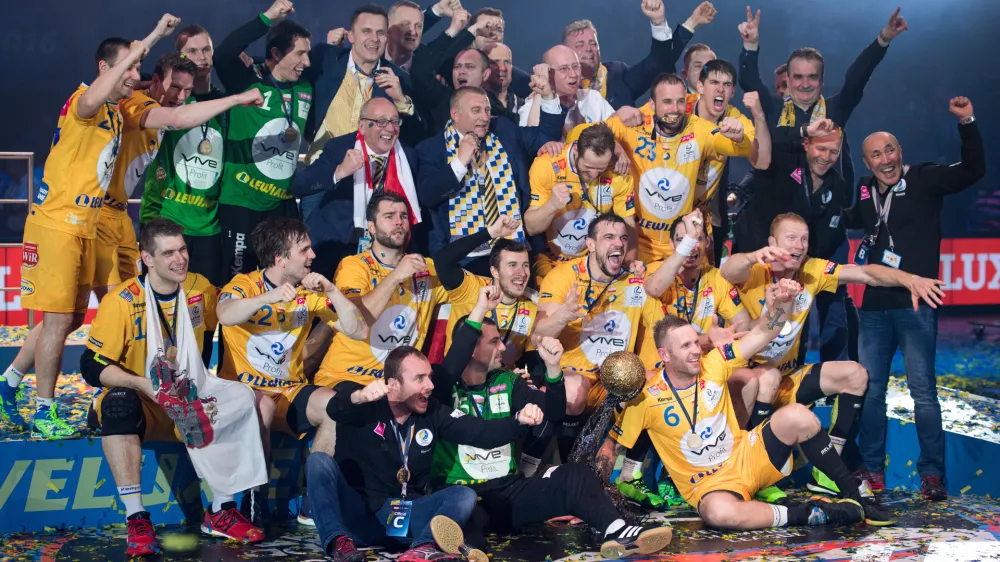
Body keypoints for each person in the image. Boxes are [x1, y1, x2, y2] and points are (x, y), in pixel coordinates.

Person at [602, 279, 896, 530]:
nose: (696, 351)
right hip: (710, 487)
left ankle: (856, 497)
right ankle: (815, 513)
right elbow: (610, 448)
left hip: (748, 457)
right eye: (686, 346)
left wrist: (782, 305)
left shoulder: (714, 363)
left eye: (696, 342)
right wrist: (595, 493)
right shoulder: (647, 397)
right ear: (664, 355)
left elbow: (764, 333)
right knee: (717, 513)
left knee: (797, 416)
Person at [4, 18, 176, 438]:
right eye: (128, 67)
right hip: (57, 225)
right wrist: (153, 37)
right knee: (63, 320)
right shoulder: (85, 101)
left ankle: (9, 383)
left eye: (139, 69)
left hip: (89, 224)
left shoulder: (116, 111)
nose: (135, 76)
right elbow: (105, 90)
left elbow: (146, 93)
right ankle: (44, 411)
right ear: (105, 69)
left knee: (72, 318)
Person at [430, 292, 675, 559]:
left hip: (507, 492)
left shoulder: (507, 381)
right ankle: (467, 551)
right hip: (463, 493)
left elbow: (555, 412)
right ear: (471, 348)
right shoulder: (441, 386)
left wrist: (553, 368)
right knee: (465, 516)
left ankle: (618, 531)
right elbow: (453, 364)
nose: (502, 347)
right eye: (494, 341)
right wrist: (479, 309)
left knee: (575, 475)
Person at [720, 212, 945, 500]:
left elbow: (866, 274)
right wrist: (754, 256)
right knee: (767, 377)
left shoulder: (812, 270)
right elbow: (727, 272)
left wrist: (909, 279)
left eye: (804, 239)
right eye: (791, 238)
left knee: (855, 374)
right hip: (746, 383)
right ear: (772, 243)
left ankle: (826, 473)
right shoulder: (753, 271)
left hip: (785, 379)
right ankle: (757, 474)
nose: (799, 245)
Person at [79, 218, 263, 555]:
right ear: (147, 258)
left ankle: (221, 509)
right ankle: (136, 517)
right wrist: (143, 384)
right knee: (118, 402)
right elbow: (91, 365)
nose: (180, 259)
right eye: (168, 253)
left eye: (182, 250)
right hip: (143, 401)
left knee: (239, 395)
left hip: (186, 399)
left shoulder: (199, 288)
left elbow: (226, 321)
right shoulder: (122, 300)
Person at [848, 97, 985, 501]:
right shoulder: (864, 191)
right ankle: (872, 469)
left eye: (890, 150)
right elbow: (850, 217)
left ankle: (932, 475)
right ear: (867, 163)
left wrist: (967, 123)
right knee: (870, 390)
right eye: (876, 155)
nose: (885, 159)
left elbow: (973, 170)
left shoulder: (925, 178)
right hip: (874, 307)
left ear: (900, 152)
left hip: (916, 306)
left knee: (922, 391)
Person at [312, 346, 545, 561]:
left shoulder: (432, 412)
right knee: (318, 461)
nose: (430, 385)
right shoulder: (364, 406)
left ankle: (424, 548)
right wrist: (359, 397)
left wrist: (518, 420)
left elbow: (480, 432)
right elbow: (336, 407)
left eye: (429, 377)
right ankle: (338, 543)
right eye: (419, 378)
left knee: (464, 495)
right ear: (393, 384)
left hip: (407, 518)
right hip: (361, 517)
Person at [216, 217, 368, 525]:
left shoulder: (308, 294)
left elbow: (359, 331)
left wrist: (332, 290)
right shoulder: (244, 285)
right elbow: (225, 314)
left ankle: (314, 502)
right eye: (304, 250)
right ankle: (254, 502)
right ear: (280, 259)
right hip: (244, 392)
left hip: (288, 391)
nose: (313, 255)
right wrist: (268, 298)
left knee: (335, 407)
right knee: (262, 406)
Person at [102, 51, 264, 297]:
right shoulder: (135, 102)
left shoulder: (156, 102)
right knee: (115, 299)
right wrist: (236, 98)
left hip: (119, 212)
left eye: (187, 90)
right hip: (100, 211)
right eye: (175, 88)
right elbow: (177, 119)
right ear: (156, 81)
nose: (180, 97)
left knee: (130, 298)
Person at [737, 5, 908, 189]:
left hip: (824, 202)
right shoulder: (773, 107)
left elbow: (857, 77)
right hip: (776, 200)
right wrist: (750, 45)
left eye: (812, 77)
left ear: (821, 81)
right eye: (798, 77)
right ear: (789, 80)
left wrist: (883, 39)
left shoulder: (835, 108)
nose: (805, 84)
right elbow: (749, 80)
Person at [604, 73, 752, 262]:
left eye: (680, 101)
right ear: (652, 105)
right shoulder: (633, 123)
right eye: (667, 102)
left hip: (682, 245)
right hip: (639, 246)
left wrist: (738, 136)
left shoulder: (699, 129)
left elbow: (742, 148)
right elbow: (583, 135)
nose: (674, 109)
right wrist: (614, 145)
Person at [415, 85, 563, 273]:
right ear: (455, 115)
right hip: (464, 259)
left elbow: (545, 136)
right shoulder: (430, 149)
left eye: (487, 110)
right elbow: (427, 196)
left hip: (513, 249)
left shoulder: (503, 130)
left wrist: (548, 95)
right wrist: (459, 162)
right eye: (476, 110)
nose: (485, 118)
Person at [214, 0, 313, 277]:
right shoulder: (246, 81)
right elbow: (223, 54)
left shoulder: (305, 87)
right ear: (276, 53)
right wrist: (267, 17)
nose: (306, 62)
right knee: (237, 280)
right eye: (300, 53)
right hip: (241, 203)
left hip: (281, 205)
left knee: (288, 279)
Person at [314, 192, 449, 388]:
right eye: (389, 216)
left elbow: (471, 290)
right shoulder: (353, 265)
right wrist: (396, 275)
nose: (399, 222)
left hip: (397, 385)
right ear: (371, 227)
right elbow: (358, 321)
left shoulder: (426, 268)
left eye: (403, 216)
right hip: (345, 377)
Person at [534, 213, 666, 413]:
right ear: (591, 244)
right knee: (572, 393)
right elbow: (537, 337)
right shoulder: (564, 276)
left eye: (623, 238)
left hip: (621, 376)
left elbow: (661, 330)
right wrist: (563, 316)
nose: (619, 243)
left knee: (659, 388)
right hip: (577, 374)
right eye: (609, 237)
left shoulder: (635, 283)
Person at [139, 25, 232, 288]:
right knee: (159, 300)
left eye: (206, 50)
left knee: (204, 301)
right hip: (163, 217)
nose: (201, 57)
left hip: (207, 226)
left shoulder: (224, 103)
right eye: (192, 51)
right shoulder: (167, 98)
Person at [292, 97, 424, 275]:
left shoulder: (407, 156)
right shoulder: (340, 147)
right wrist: (339, 172)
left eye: (394, 121)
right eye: (381, 121)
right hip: (336, 243)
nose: (390, 128)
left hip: (383, 251)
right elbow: (299, 186)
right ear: (362, 126)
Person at [308, 3, 423, 157]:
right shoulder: (325, 58)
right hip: (322, 164)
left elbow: (415, 137)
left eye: (380, 33)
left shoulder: (399, 79)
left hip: (370, 169)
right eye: (366, 31)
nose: (374, 39)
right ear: (351, 36)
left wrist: (401, 101)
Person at [525, 123, 636, 281]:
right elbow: (530, 228)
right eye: (588, 167)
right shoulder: (547, 165)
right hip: (550, 259)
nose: (593, 174)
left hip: (593, 261)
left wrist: (630, 265)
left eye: (601, 169)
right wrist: (551, 206)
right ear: (576, 150)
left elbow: (628, 224)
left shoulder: (618, 169)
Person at [433, 216, 540, 370]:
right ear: (494, 271)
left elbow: (532, 360)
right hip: (461, 378)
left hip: (503, 382)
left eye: (525, 265)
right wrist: (490, 233)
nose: (522, 273)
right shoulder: (471, 288)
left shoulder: (533, 306)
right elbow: (442, 261)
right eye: (512, 265)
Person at [562, 0, 675, 109]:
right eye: (580, 45)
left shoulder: (618, 75)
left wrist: (658, 22)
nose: (588, 48)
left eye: (593, 43)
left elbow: (658, 64)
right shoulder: (557, 88)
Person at [518, 46, 615, 135]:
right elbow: (532, 143)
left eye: (576, 66)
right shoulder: (531, 109)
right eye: (564, 69)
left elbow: (617, 130)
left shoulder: (592, 98)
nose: (573, 74)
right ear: (548, 74)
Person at [384, 0, 455, 73]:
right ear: (388, 25)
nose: (413, 32)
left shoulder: (428, 60)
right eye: (405, 24)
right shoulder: (377, 49)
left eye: (419, 26)